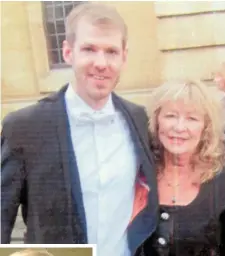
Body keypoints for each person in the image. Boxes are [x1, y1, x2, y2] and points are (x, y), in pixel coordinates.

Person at [1, 3, 158, 256]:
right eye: (89, 49)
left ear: (124, 57)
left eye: (111, 51)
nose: (101, 63)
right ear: (67, 52)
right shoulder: (24, 127)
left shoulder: (140, 119)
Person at [134, 80, 225, 255]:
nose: (179, 127)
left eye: (192, 118)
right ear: (156, 121)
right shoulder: (138, 176)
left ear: (205, 127)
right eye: (170, 116)